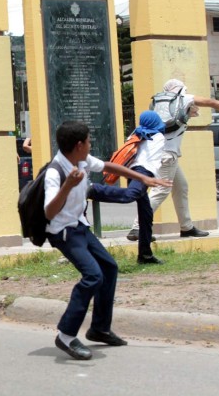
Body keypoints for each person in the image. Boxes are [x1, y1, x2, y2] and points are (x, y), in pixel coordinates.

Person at [45, 121, 171, 360]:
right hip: (64, 232)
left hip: (80, 227)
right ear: (79, 144)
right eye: (89, 141)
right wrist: (67, 186)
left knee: (109, 268)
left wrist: (141, 179)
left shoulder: (81, 160)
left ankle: (99, 328)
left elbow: (108, 165)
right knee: (93, 276)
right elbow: (49, 213)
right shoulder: (55, 172)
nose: (91, 144)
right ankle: (66, 336)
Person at [127, 79, 219, 241]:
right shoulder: (185, 99)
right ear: (181, 89)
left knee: (181, 187)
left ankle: (186, 227)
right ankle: (137, 227)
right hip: (167, 155)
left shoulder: (158, 103)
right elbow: (210, 101)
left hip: (161, 153)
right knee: (161, 191)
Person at [88, 111, 167, 265]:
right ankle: (91, 189)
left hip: (132, 172)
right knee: (130, 195)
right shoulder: (158, 136)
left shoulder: (136, 133)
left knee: (146, 213)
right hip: (142, 172)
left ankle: (145, 255)